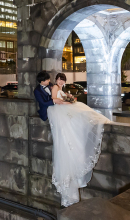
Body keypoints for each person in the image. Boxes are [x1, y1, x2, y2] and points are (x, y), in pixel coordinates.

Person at [36, 71, 111, 207]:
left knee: (81, 110)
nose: (58, 82)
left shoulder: (56, 86)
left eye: (62, 80)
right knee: (77, 116)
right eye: (58, 79)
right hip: (54, 111)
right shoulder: (48, 88)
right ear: (44, 81)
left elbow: (60, 97)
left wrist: (68, 98)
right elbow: (51, 100)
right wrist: (63, 101)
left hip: (60, 108)